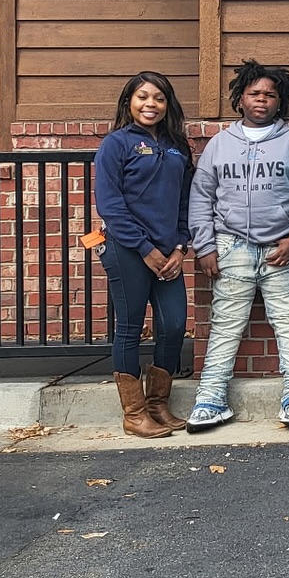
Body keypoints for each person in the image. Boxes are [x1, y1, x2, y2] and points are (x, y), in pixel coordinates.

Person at [186, 60, 289, 433]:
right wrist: (205, 246)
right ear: (240, 98)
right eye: (254, 93)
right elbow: (201, 198)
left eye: (270, 95)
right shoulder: (219, 145)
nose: (261, 100)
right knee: (226, 325)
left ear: (281, 102)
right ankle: (210, 401)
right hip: (231, 247)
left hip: (283, 249)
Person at [94, 70, 194, 439]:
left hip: (170, 254)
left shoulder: (177, 146)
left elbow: (185, 202)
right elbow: (110, 205)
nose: (150, 104)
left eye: (159, 98)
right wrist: (145, 249)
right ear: (128, 103)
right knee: (130, 328)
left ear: (168, 105)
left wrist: (181, 246)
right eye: (142, 97)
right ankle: (134, 414)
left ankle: (157, 405)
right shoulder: (116, 144)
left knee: (173, 325)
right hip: (127, 249)